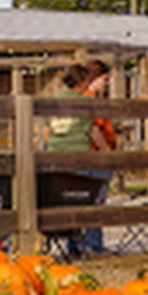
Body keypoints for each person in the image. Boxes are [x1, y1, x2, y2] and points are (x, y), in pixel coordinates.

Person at [42, 63, 117, 255]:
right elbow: (93, 131)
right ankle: (92, 245)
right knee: (92, 199)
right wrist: (109, 154)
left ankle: (75, 245)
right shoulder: (86, 102)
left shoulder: (53, 102)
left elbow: (45, 131)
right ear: (84, 81)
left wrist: (51, 150)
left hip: (56, 160)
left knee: (67, 199)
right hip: (81, 158)